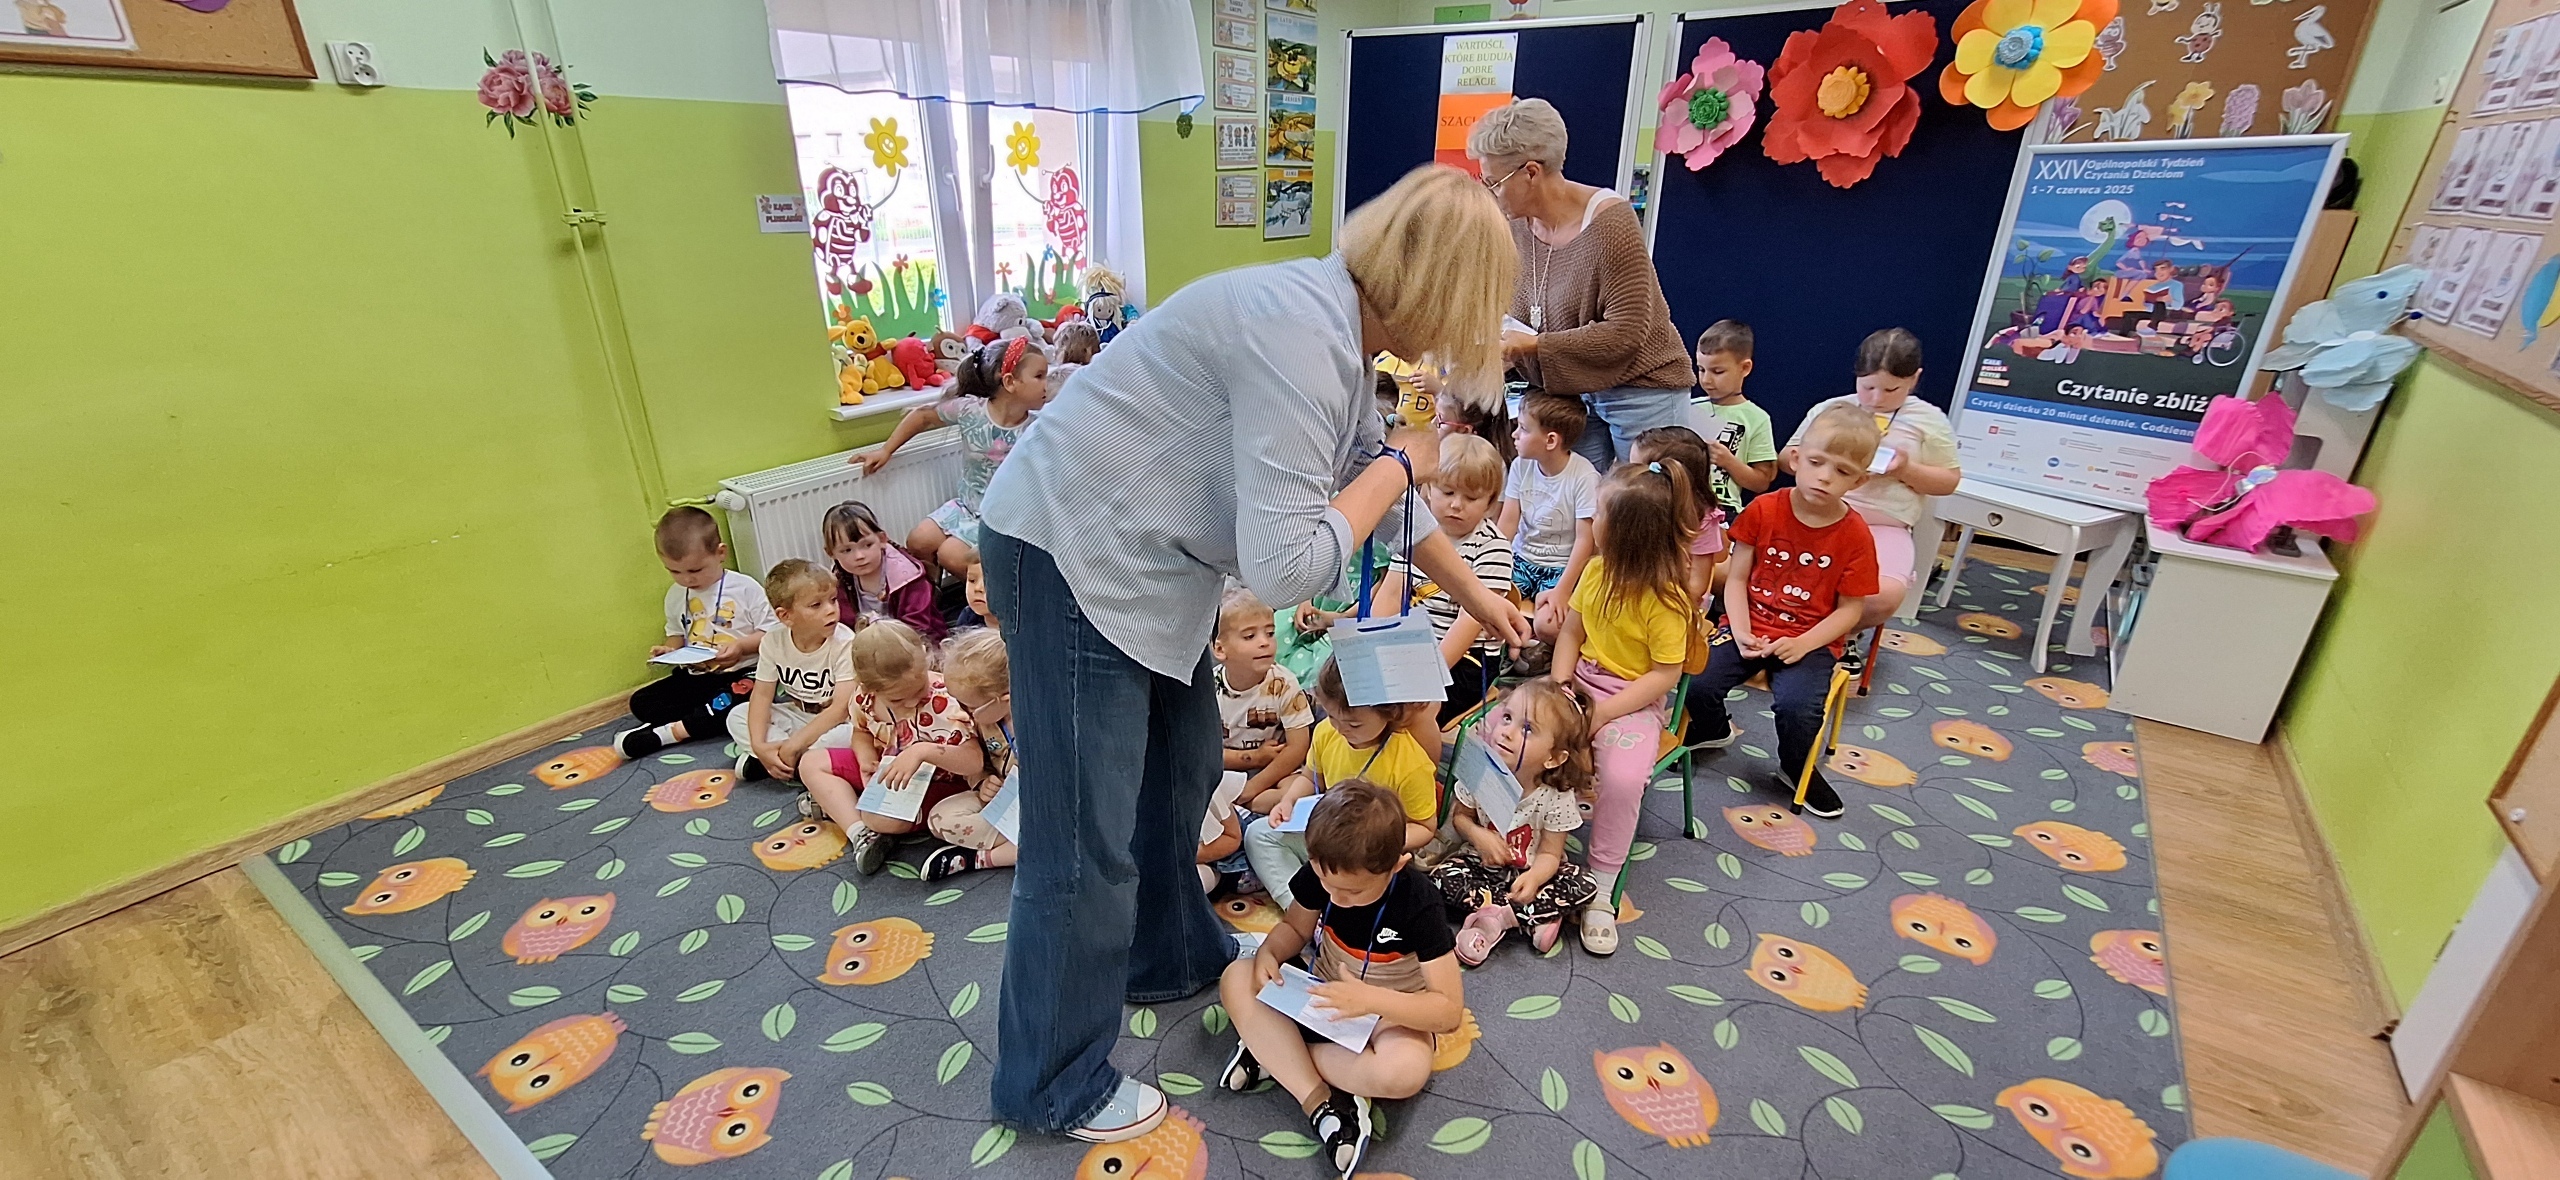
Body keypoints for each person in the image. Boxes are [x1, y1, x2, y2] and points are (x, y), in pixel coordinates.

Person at [975, 163, 1527, 1144]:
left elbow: (1374, 495)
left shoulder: (1339, 335)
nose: (1457, 343)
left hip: (1148, 570)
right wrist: (1402, 462)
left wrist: (1482, 596)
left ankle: (1166, 954)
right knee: (1082, 840)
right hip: (1068, 551)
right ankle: (1050, 1081)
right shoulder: (1302, 334)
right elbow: (1285, 568)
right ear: (1431, 288)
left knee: (1181, 771)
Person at [1216, 783, 1463, 1178]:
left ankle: (1273, 1054)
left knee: (1405, 1073)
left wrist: (1370, 1001)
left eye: (1352, 891)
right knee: (1237, 976)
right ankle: (1321, 1102)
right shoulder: (1326, 872)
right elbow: (1295, 929)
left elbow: (1448, 1012)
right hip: (1321, 993)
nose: (1334, 896)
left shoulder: (1420, 903)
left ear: (1397, 865)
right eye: (1325, 882)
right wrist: (1270, 954)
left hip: (1389, 1016)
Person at [1470, 98, 1694, 468]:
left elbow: (1625, 333)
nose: (1490, 193)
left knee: (1646, 498)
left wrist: (1532, 345)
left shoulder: (1609, 223)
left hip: (1642, 390)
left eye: (1494, 183)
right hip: (1570, 394)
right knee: (1569, 499)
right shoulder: (1513, 226)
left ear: (1531, 172)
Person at [1687, 405, 1883, 819]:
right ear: (1795, 459)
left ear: (1860, 481)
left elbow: (1850, 611)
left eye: (1843, 471)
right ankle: (1713, 728)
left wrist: (1804, 643)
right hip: (1748, 624)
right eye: (1816, 462)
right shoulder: (1764, 509)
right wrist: (1740, 629)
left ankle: (1796, 767)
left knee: (1797, 708)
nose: (1825, 477)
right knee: (1696, 680)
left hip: (1810, 641)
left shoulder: (1856, 535)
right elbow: (1736, 579)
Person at [1551, 461, 1695, 954]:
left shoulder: (1667, 601)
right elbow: (1571, 634)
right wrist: (1560, 686)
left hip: (1633, 701)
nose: (1592, 521)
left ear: (1627, 534)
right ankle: (1519, 843)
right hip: (1580, 683)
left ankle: (1601, 889)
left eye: (1599, 514)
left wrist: (1605, 713)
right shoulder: (1595, 571)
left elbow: (1664, 675)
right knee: (1516, 736)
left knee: (1622, 779)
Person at [1781, 328, 1961, 630]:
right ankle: (1784, 626)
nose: (1877, 399)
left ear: (1914, 378)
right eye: (1868, 387)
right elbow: (1787, 457)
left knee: (1883, 595)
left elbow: (1949, 482)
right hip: (1813, 516)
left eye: (1891, 390)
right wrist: (1822, 461)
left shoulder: (1928, 420)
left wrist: (1905, 469)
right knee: (1764, 569)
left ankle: (1831, 636)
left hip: (1882, 526)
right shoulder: (1832, 409)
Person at [1243, 657, 1443, 912]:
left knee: (1370, 889)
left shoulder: (1410, 763)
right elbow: (1310, 777)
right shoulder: (1326, 732)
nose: (1340, 728)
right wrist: (1288, 801)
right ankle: (1301, 909)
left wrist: (1374, 840)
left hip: (1370, 855)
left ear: (1390, 712)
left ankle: (1337, 904)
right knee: (1258, 834)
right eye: (1332, 716)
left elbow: (1425, 828)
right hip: (1328, 835)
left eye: (1354, 724)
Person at [796, 619, 984, 875]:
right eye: (898, 699)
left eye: (919, 688)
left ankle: (845, 807)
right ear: (868, 688)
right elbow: (861, 731)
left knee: (882, 820)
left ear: (925, 658)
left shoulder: (945, 699)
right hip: (888, 774)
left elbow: (974, 762)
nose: (913, 702)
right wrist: (864, 759)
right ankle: (860, 833)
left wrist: (922, 751)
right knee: (810, 763)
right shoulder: (865, 698)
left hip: (941, 783)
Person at [1432, 678, 1601, 963]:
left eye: (1527, 729)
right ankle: (1529, 917)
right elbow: (1460, 817)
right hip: (1481, 865)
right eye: (1507, 717)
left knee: (1585, 884)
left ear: (1553, 758)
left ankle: (1496, 919)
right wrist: (1478, 836)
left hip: (1532, 872)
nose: (1506, 732)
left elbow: (1550, 853)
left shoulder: (1556, 796)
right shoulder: (1482, 771)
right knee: (1440, 878)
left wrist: (1534, 879)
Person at [857, 337, 1053, 576]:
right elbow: (922, 416)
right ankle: (928, 596)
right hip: (967, 505)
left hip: (1004, 519)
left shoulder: (1038, 429)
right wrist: (886, 450)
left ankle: (986, 597)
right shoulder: (970, 410)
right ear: (1010, 382)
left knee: (951, 555)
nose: (1047, 384)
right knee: (918, 541)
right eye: (1039, 376)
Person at [1377, 434, 1515, 722]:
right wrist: (1372, 647)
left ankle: (1418, 752)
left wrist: (1426, 676)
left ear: (1490, 502)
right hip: (1415, 645)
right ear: (1428, 488)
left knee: (1407, 713)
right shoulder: (1413, 533)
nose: (1456, 505)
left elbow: (1469, 623)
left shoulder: (1493, 548)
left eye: (1471, 497)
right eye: (1448, 492)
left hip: (1465, 659)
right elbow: (1390, 596)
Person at [618, 508, 774, 760]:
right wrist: (669, 650)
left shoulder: (745, 588)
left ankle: (669, 733)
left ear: (720, 553)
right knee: (641, 701)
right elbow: (676, 634)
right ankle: (703, 718)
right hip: (697, 675)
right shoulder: (675, 595)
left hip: (743, 672)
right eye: (674, 572)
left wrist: (741, 647)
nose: (686, 580)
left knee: (746, 697)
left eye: (694, 570)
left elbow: (771, 634)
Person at [732, 559, 855, 784]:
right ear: (785, 616)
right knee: (738, 715)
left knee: (848, 735)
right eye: (816, 605)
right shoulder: (773, 641)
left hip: (836, 722)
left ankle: (781, 764)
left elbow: (840, 709)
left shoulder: (845, 642)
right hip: (798, 715)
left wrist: (793, 745)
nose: (831, 610)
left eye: (833, 600)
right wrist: (759, 745)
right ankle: (791, 763)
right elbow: (762, 695)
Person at [920, 627, 1020, 880]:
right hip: (1003, 804)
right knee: (940, 818)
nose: (961, 710)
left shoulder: (1039, 722)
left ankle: (979, 859)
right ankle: (1021, 847)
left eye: (969, 706)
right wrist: (982, 782)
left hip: (1042, 806)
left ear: (1005, 699)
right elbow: (975, 765)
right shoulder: (977, 721)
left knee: (1067, 834)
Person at [1502, 391, 1599, 640]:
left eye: (1523, 429)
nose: (1514, 435)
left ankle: (1539, 647)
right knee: (1487, 601)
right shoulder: (1520, 465)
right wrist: (1492, 564)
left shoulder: (1584, 477)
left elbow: (1585, 541)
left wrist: (1563, 590)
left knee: (1549, 624)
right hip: (1521, 559)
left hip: (1561, 568)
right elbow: (1508, 523)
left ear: (1551, 440)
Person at [1213, 587, 1315, 815]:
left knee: (1294, 792)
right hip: (1228, 768)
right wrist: (1252, 758)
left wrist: (1252, 788)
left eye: (1269, 633)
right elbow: (1204, 751)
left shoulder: (1284, 683)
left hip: (1275, 771)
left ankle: (1242, 807)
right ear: (1220, 649)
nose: (1264, 642)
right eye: (1250, 636)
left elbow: (1298, 747)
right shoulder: (1209, 687)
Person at [821, 501, 946, 644]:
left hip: (916, 643)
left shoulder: (907, 576)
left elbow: (918, 626)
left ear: (882, 539)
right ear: (831, 553)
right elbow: (844, 623)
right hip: (868, 643)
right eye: (847, 550)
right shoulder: (841, 579)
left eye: (867, 545)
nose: (859, 556)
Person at [1691, 321, 1778, 518]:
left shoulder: (1757, 418)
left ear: (1744, 368)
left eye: (1717, 371)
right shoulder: (1689, 407)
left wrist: (1729, 462)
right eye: (1701, 369)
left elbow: (1761, 482)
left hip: (1723, 510)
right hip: (1681, 505)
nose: (1706, 380)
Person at [1630, 426, 1724, 607]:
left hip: (1676, 602)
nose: (1629, 475)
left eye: (1635, 468)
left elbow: (1698, 583)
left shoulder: (1702, 519)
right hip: (1635, 593)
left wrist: (1667, 606)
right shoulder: (1633, 504)